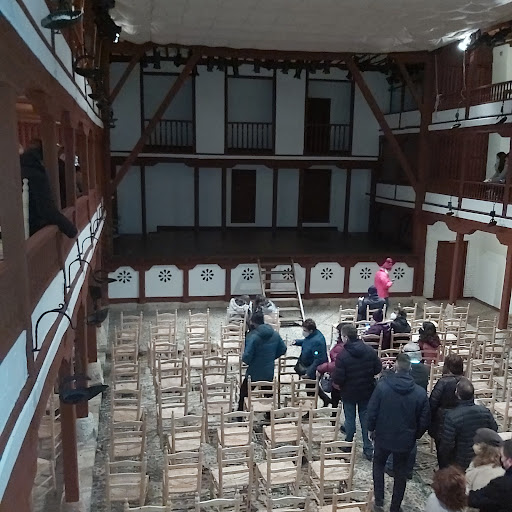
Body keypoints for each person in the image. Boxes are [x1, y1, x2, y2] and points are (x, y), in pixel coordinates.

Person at [368, 353, 430, 512]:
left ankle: (379, 501)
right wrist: (415, 435)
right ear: (410, 369)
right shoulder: (420, 393)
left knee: (378, 465)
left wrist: (371, 428)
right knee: (400, 473)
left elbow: (372, 410)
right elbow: (424, 419)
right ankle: (395, 507)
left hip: (383, 435)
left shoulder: (382, 386)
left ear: (396, 367)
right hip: (405, 439)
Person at [332, 324, 382, 461]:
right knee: (365, 419)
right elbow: (378, 368)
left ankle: (348, 444)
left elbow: (338, 378)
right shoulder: (369, 350)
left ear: (346, 337)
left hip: (349, 392)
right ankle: (368, 448)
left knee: (349, 419)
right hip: (366, 390)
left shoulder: (342, 356)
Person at [384, 343, 429, 479]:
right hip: (416, 407)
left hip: (401, 405)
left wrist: (389, 371)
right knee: (411, 441)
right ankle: (408, 468)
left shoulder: (406, 371)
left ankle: (391, 465)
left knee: (393, 439)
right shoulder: (424, 370)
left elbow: (394, 381)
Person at [20, 140, 78, 238]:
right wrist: (71, 230)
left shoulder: (19, 168)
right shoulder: (36, 173)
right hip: (34, 230)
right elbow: (46, 209)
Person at [440, 378, 498, 470]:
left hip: (460, 460)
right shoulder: (485, 411)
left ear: (457, 394)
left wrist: (445, 462)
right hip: (482, 457)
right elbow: (494, 430)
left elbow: (447, 444)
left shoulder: (451, 416)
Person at [237, 311, 287, 411]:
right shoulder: (275, 334)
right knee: (268, 392)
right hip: (268, 369)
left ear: (253, 322)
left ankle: (240, 412)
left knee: (244, 392)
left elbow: (247, 356)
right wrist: (271, 357)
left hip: (254, 371)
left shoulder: (253, 337)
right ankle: (269, 413)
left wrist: (247, 361)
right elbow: (283, 349)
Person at [429, 354, 465, 467]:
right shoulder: (465, 382)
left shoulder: (443, 383)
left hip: (442, 422)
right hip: (460, 420)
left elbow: (433, 403)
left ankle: (445, 473)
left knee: (442, 453)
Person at [467, 439, 512, 512]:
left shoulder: (501, 485)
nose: (501, 459)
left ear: (509, 461)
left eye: (502, 456)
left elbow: (475, 499)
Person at [316, 322, 348, 410]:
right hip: (342, 376)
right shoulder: (342, 345)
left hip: (338, 377)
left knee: (336, 398)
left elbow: (336, 364)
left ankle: (334, 415)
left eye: (337, 332)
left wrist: (322, 368)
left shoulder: (340, 347)